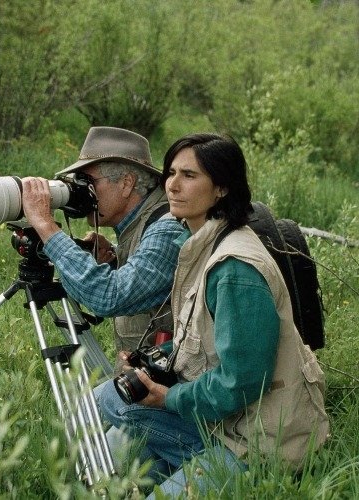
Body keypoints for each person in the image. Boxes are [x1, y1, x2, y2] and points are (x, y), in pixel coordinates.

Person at [95, 133, 330, 497]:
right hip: (226, 421)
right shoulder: (204, 243)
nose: (173, 185)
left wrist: (167, 398)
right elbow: (206, 336)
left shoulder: (235, 267)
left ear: (221, 188)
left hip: (259, 440)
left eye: (189, 175)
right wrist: (156, 363)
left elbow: (244, 379)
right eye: (171, 172)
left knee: (114, 403)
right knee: (111, 427)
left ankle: (203, 467)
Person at [21, 127, 184, 368]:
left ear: (127, 183)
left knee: (96, 399)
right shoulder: (141, 224)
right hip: (147, 380)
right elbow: (150, 278)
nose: (80, 191)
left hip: (173, 393)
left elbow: (110, 296)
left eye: (88, 182)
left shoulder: (168, 228)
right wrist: (115, 260)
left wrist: (46, 226)